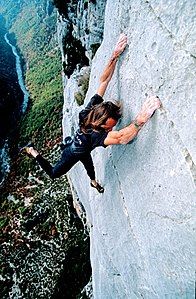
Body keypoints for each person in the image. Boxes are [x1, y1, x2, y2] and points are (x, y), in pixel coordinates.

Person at [21, 34, 161, 193]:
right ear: (100, 122)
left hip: (82, 148)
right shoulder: (97, 135)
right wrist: (141, 118)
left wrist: (114, 55)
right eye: (108, 127)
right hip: (71, 153)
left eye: (111, 127)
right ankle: (32, 151)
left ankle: (93, 183)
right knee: (54, 173)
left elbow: (104, 81)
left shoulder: (90, 111)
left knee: (90, 168)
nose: (110, 130)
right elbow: (122, 137)